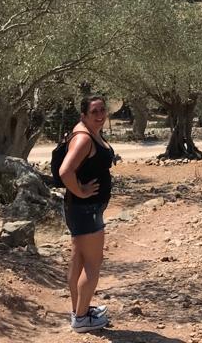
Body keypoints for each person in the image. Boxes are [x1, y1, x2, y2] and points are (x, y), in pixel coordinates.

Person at [59, 93, 116, 333]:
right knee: (93, 264)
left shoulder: (85, 131)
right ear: (83, 114)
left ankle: (79, 310)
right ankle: (82, 318)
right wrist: (81, 192)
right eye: (94, 111)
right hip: (86, 209)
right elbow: (65, 171)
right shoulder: (84, 138)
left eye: (102, 110)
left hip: (81, 209)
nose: (100, 115)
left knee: (79, 259)